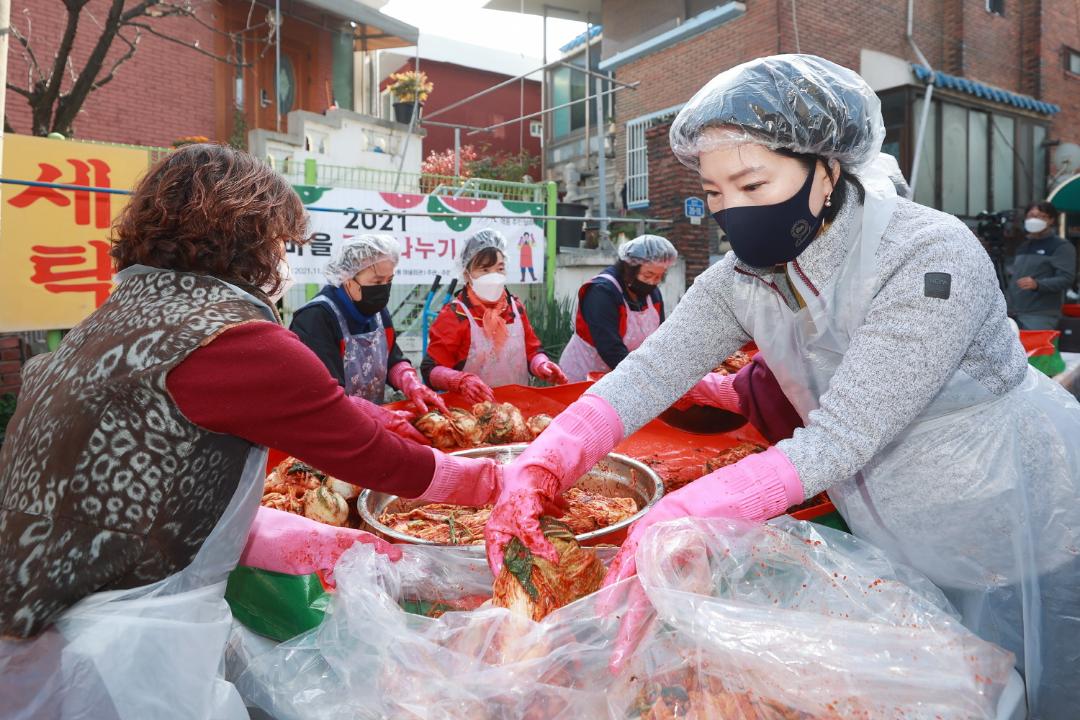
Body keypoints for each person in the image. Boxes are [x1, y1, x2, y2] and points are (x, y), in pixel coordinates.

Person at [484, 56, 1080, 716]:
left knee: (1036, 683)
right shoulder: (746, 276)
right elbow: (651, 370)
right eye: (714, 193)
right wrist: (549, 457)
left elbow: (844, 433)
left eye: (752, 182)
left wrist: (685, 510)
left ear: (826, 169)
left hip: (1014, 512)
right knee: (942, 689)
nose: (732, 211)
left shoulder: (928, 253)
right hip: (895, 525)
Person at [0, 144, 502, 719]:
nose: (283, 261)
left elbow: (147, 481)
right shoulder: (233, 338)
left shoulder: (105, 323)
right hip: (119, 654)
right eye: (279, 245)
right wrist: (494, 481)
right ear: (247, 244)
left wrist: (274, 532)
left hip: (27, 623)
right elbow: (376, 459)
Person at [290, 235, 447, 415]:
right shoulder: (315, 319)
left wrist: (410, 381)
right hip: (328, 427)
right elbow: (326, 395)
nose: (384, 288)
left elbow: (391, 359)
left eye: (389, 281)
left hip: (370, 426)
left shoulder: (378, 312)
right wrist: (381, 417)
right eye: (377, 282)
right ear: (348, 280)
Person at [421, 229, 567, 402]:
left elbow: (532, 350)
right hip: (470, 415)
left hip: (518, 409)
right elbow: (431, 370)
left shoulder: (515, 309)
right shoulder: (455, 315)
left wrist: (541, 364)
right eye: (484, 270)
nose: (494, 276)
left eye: (499, 269)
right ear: (467, 275)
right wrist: (459, 381)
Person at [559, 235, 678, 382]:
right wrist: (646, 378)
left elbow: (658, 339)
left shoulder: (652, 293)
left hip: (625, 375)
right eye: (648, 275)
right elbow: (610, 348)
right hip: (584, 376)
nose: (653, 282)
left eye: (659, 277)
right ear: (630, 269)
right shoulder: (601, 292)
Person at [1006, 201, 1077, 330]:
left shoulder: (1061, 246)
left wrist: (1038, 284)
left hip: (1041, 316)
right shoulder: (1023, 245)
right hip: (1013, 314)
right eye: (1031, 215)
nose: (1034, 219)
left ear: (1051, 220)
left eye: (1040, 216)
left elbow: (1066, 278)